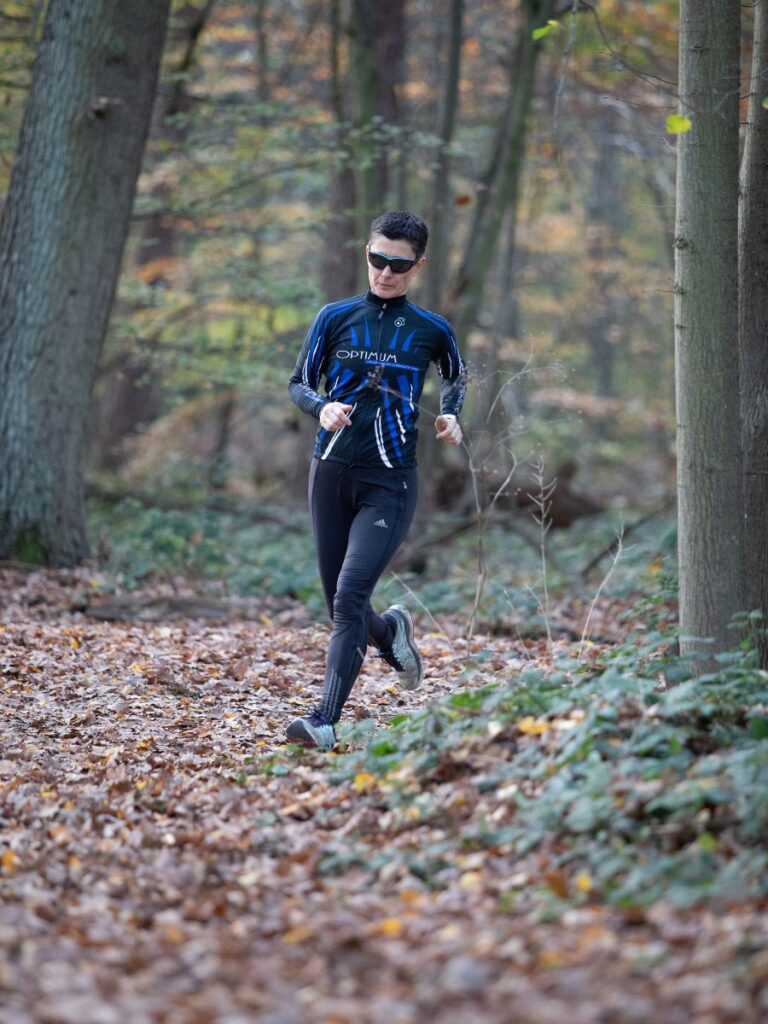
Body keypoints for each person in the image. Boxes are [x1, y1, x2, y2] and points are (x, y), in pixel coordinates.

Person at [286, 210, 467, 751]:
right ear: (366, 253)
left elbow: (456, 376)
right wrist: (320, 407)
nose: (385, 273)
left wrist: (451, 415)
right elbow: (299, 382)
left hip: (389, 483)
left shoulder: (432, 330)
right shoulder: (334, 317)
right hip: (329, 473)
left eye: (398, 265)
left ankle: (323, 720)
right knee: (340, 604)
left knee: (348, 599)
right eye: (377, 259)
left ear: (418, 266)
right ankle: (390, 633)